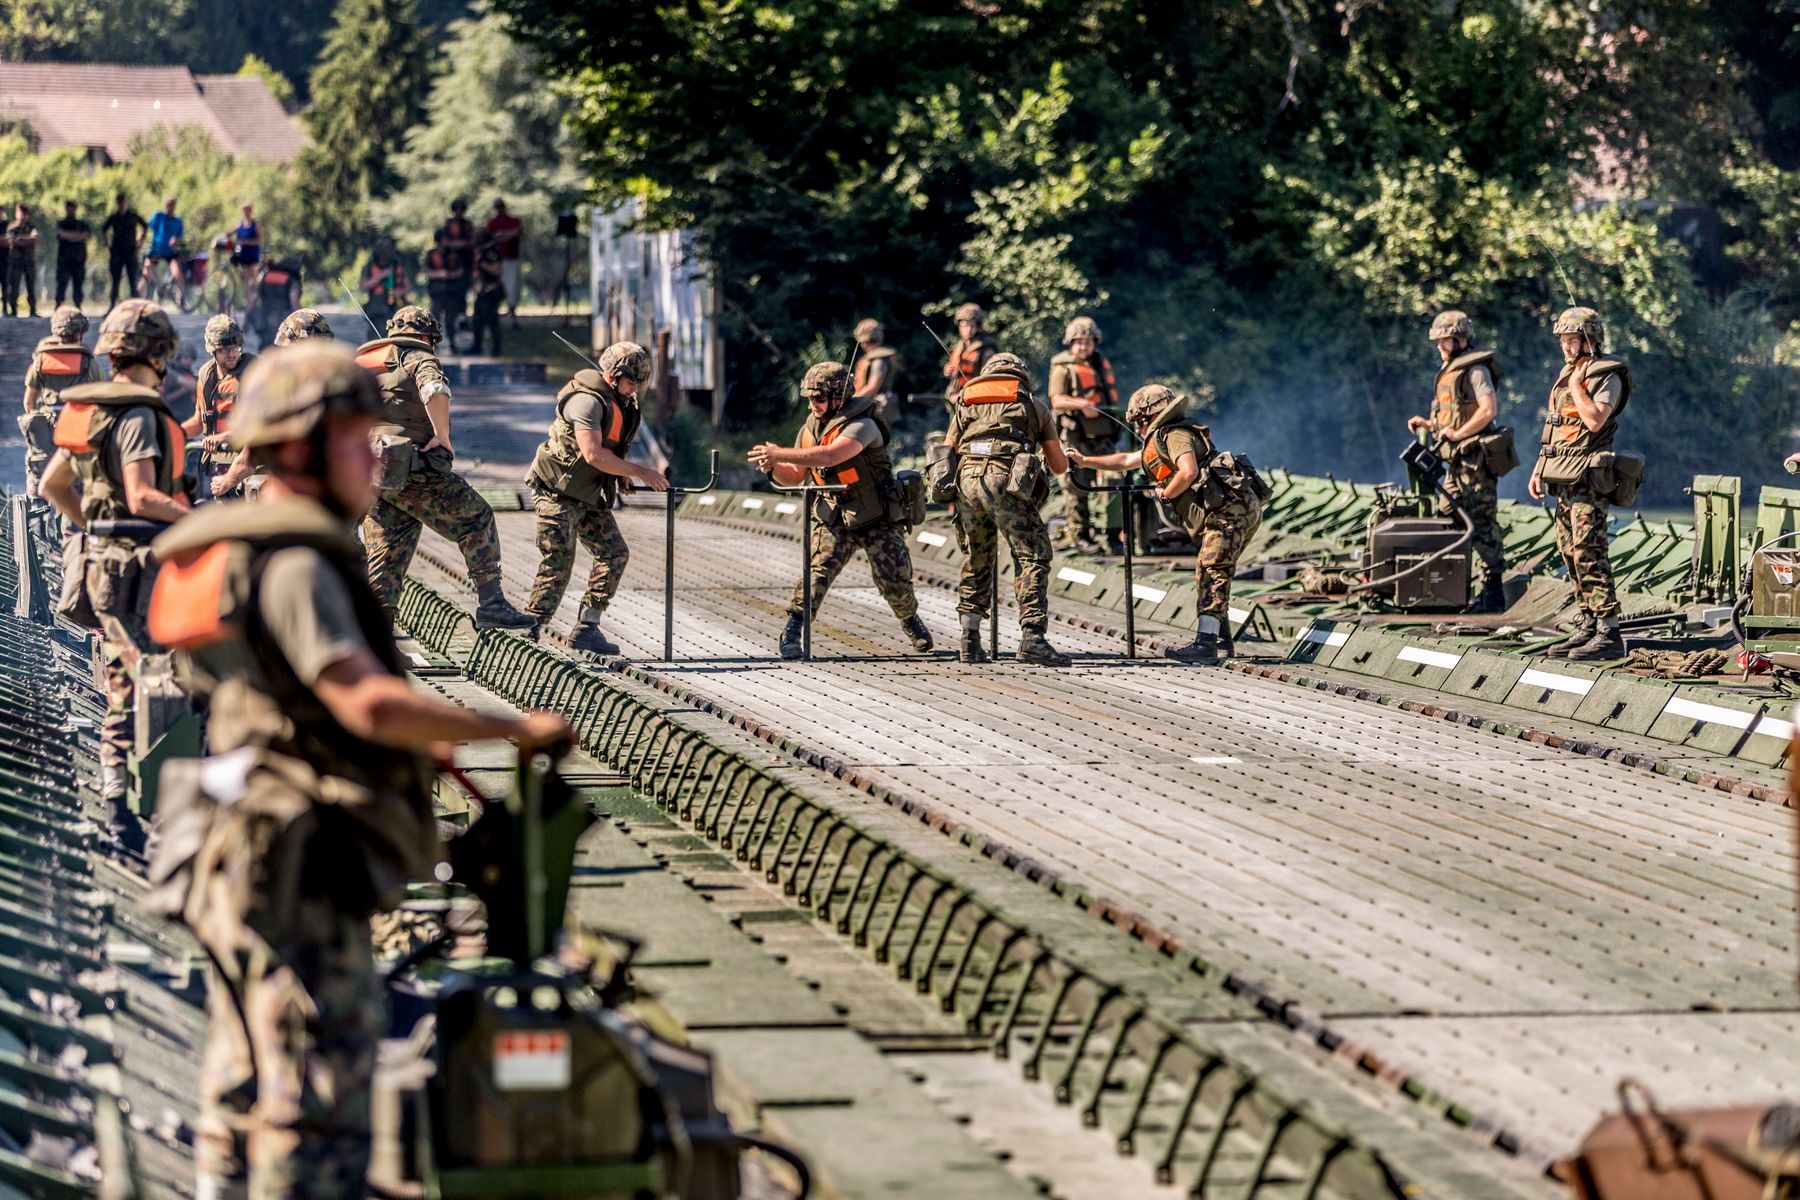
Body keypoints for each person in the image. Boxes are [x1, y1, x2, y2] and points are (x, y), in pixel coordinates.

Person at [145, 342, 571, 1200]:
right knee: (317, 1091)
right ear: (300, 449)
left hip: (236, 835)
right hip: (295, 858)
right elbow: (364, 703)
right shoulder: (298, 562)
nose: (374, 458)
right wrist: (511, 727)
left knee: (245, 1073)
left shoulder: (242, 544)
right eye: (354, 441)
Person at [37, 300, 192, 850]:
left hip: (105, 569)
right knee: (162, 685)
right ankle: (149, 816)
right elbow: (144, 494)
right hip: (144, 574)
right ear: (159, 352)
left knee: (128, 687)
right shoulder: (142, 415)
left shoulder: (88, 410)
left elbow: (51, 486)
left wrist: (95, 529)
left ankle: (118, 806)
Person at [356, 306, 536, 628]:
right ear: (426, 336)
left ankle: (374, 639)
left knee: (387, 558)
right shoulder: (418, 357)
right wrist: (442, 436)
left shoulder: (371, 366)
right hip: (415, 472)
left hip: (375, 475)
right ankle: (492, 604)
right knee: (476, 518)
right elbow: (435, 390)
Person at [749, 361, 933, 660]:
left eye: (819, 398)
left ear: (839, 398)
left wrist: (778, 452)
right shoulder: (810, 429)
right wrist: (773, 468)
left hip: (876, 516)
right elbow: (795, 474)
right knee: (816, 574)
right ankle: (793, 630)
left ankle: (910, 621)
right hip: (834, 515)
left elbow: (833, 455)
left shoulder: (863, 423)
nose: (813, 405)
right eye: (810, 398)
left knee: (894, 579)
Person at [1071, 385, 1267, 662]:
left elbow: (1188, 472)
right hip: (1235, 508)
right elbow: (1126, 460)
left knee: (1212, 571)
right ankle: (1221, 641)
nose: (1138, 428)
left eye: (1139, 421)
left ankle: (1206, 643)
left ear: (1149, 416)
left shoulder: (1174, 434)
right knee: (1210, 569)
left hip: (1229, 511)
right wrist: (1085, 460)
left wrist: (1166, 493)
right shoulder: (1162, 439)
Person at [524, 342, 669, 653]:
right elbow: (592, 453)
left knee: (614, 553)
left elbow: (609, 452)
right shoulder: (587, 402)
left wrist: (621, 474)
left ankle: (588, 625)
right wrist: (642, 471)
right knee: (559, 559)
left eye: (639, 385)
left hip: (588, 494)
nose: (634, 390)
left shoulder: (622, 402)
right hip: (556, 491)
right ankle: (529, 631)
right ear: (614, 376)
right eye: (631, 382)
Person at [941, 352, 1070, 665]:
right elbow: (1059, 465)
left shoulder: (966, 402)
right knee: (1033, 554)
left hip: (968, 482)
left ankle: (969, 641)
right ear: (1020, 378)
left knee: (977, 556)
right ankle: (1033, 638)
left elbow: (948, 448)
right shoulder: (1034, 406)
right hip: (1007, 483)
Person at [1529, 306, 1634, 661]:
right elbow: (1556, 428)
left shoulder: (1606, 376)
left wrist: (1576, 385)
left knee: (1590, 552)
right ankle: (1588, 623)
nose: (1566, 347)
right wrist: (1539, 469)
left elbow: (1593, 421)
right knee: (1569, 553)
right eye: (1563, 340)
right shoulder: (1566, 373)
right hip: (1563, 477)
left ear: (1590, 340)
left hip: (1589, 480)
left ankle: (1609, 630)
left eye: (1571, 339)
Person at [1406, 310, 1508, 611]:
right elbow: (1453, 414)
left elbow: (1488, 410)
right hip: (1457, 462)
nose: (1439, 346)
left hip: (1476, 462)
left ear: (1460, 340)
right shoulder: (1451, 369)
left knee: (1481, 523)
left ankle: (1492, 595)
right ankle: (1455, 587)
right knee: (1449, 515)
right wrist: (1430, 425)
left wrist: (1458, 433)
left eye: (1444, 341)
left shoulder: (1475, 370)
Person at [1048, 316, 1119, 553]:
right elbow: (1056, 399)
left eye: (1088, 342)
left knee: (1112, 481)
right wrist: (1081, 405)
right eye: (1078, 342)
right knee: (1075, 485)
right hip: (1075, 434)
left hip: (1102, 435)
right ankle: (1081, 535)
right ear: (1070, 342)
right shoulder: (1063, 367)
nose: (1083, 347)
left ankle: (1112, 534)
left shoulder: (1098, 364)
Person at [19, 305, 104, 501]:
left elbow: (29, 403)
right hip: (77, 430)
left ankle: (37, 517)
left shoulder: (40, 361)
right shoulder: (89, 363)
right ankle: (72, 529)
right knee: (77, 481)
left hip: (46, 430)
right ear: (81, 333)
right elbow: (101, 400)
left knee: (38, 473)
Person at [185, 315, 256, 500]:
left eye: (235, 347)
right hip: (214, 471)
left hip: (247, 470)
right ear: (212, 350)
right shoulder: (206, 375)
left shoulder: (254, 373)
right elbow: (199, 422)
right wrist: (172, 433)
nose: (232, 353)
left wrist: (222, 438)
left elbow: (259, 428)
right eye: (224, 349)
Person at [940, 302, 996, 412]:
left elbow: (987, 382)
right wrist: (948, 371)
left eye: (972, 325)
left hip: (976, 404)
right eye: (964, 325)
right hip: (955, 401)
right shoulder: (960, 347)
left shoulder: (986, 350)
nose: (968, 329)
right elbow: (956, 373)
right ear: (959, 326)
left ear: (978, 326)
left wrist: (965, 395)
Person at [102, 193, 147, 307]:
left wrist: (140, 242)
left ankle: (136, 307)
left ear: (126, 203)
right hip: (117, 252)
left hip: (130, 251)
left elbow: (145, 226)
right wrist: (107, 244)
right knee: (115, 280)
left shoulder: (133, 216)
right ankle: (112, 306)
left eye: (123, 202)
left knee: (133, 280)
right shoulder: (114, 217)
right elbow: (103, 229)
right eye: (120, 202)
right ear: (117, 203)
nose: (122, 204)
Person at [485, 197, 523, 324]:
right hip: (497, 260)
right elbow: (489, 237)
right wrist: (504, 236)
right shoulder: (491, 222)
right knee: (495, 288)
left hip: (510, 258)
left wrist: (502, 235)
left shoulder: (514, 220)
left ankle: (512, 315)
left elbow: (517, 232)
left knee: (511, 287)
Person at [141, 196, 185, 301]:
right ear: (165, 206)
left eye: (172, 205)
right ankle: (142, 294)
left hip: (170, 252)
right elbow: (146, 226)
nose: (170, 207)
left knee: (177, 273)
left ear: (175, 206)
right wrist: (141, 238)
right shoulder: (158, 216)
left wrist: (176, 240)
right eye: (168, 205)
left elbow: (179, 237)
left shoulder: (177, 220)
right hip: (156, 250)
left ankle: (182, 299)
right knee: (146, 270)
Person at [851, 318, 898, 414]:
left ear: (863, 341)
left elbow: (873, 387)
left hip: (876, 408)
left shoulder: (879, 359)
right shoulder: (875, 358)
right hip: (869, 406)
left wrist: (851, 401)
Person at [359, 241, 408, 331]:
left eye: (387, 258)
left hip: (395, 307)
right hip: (377, 310)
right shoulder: (368, 268)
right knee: (376, 338)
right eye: (382, 258)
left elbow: (408, 286)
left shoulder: (397, 266)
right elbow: (363, 287)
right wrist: (382, 275)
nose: (384, 261)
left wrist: (400, 292)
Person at [422, 229, 458, 350]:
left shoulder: (453, 254)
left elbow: (461, 270)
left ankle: (453, 344)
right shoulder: (431, 254)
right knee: (433, 320)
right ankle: (433, 345)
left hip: (451, 292)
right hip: (436, 293)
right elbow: (426, 271)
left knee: (451, 319)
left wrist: (452, 275)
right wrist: (440, 274)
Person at [469, 235, 505, 356]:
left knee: (492, 321)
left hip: (491, 292)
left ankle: (496, 349)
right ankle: (477, 346)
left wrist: (482, 264)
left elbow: (497, 270)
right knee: (478, 320)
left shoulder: (491, 253)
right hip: (482, 291)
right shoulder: (482, 253)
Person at [54, 199, 90, 308]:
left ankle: (78, 304)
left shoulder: (82, 224)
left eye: (72, 207)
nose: (70, 210)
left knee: (78, 284)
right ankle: (58, 304)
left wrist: (69, 236)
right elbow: (61, 234)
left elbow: (85, 236)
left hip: (78, 260)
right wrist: (77, 236)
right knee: (61, 284)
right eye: (68, 207)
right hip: (64, 261)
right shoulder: (61, 223)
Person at [6, 202, 37, 318]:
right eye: (20, 212)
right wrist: (27, 239)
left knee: (31, 286)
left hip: (29, 262)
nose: (22, 215)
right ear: (16, 213)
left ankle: (33, 310)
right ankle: (13, 310)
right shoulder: (12, 227)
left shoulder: (31, 227)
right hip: (15, 262)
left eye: (24, 212)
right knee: (14, 286)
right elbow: (12, 240)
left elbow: (34, 238)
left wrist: (21, 238)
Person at [231, 202, 262, 300]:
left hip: (252, 255)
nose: (246, 212)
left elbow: (259, 240)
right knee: (245, 279)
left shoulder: (255, 225)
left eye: (248, 210)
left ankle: (257, 299)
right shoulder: (240, 224)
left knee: (254, 279)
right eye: (245, 210)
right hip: (242, 255)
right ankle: (248, 300)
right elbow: (231, 232)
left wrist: (246, 241)